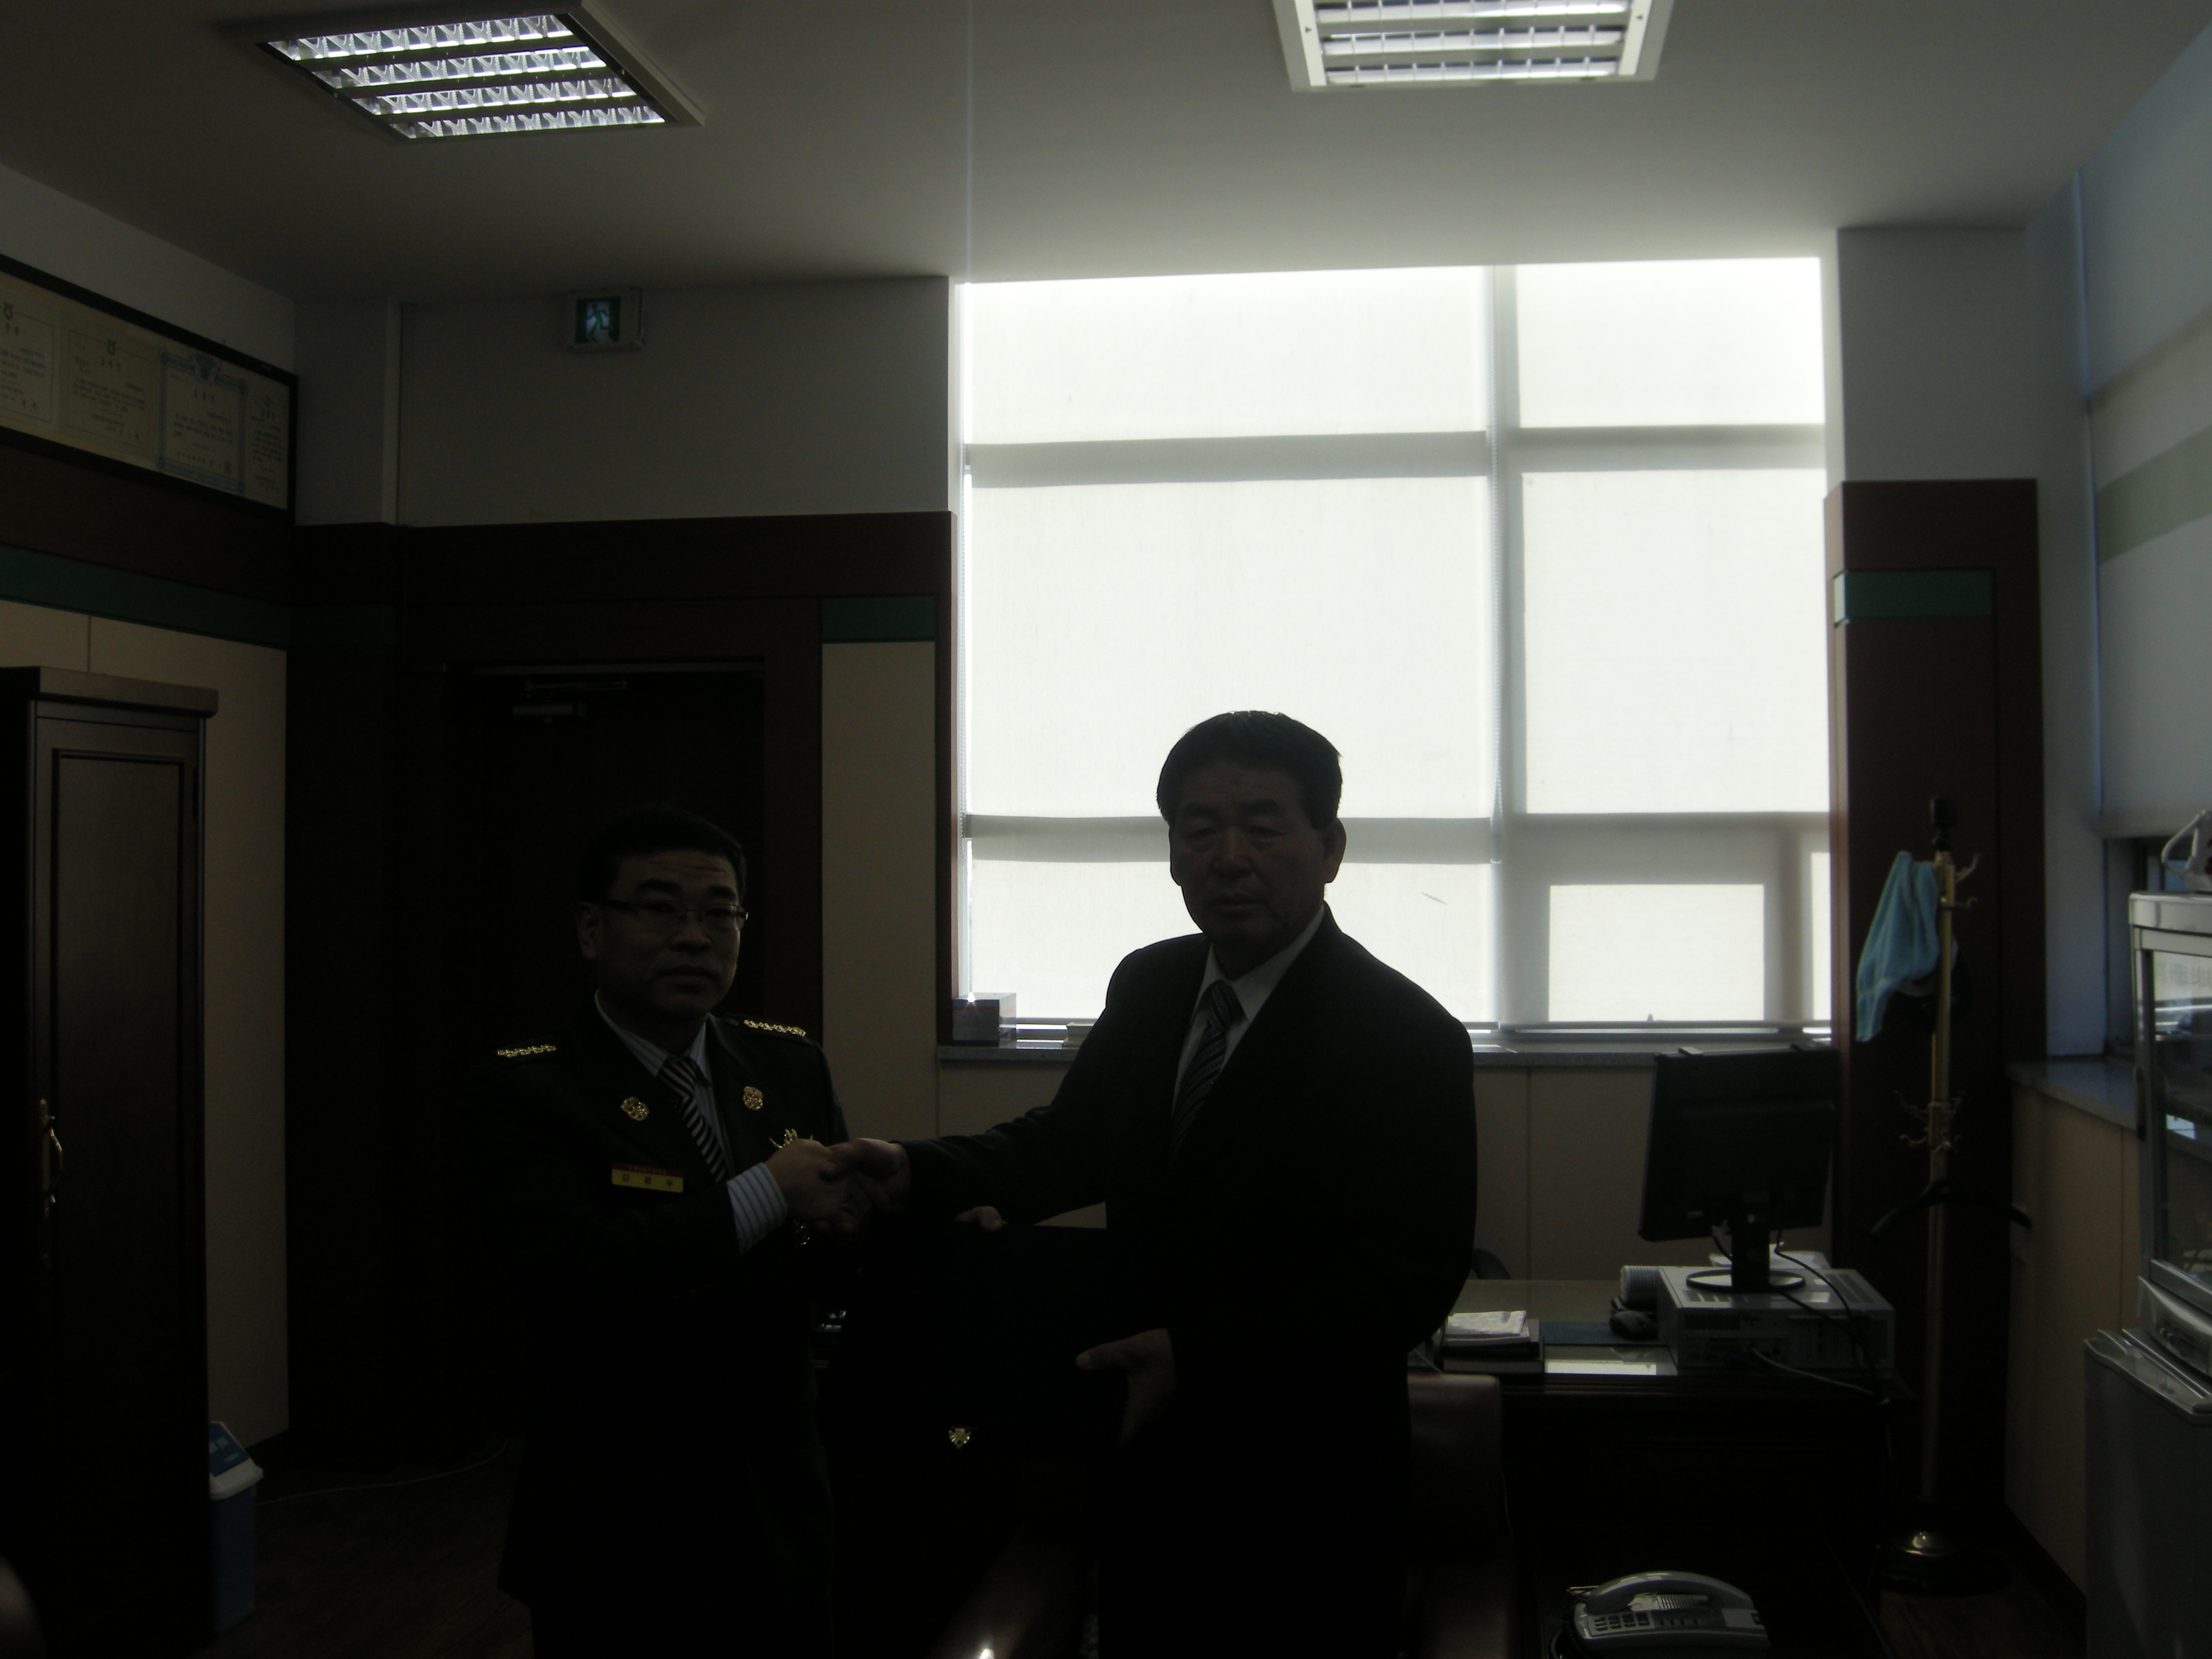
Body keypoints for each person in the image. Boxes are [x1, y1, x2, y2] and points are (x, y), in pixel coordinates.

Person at [834, 711, 1478, 1657]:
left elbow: (1405, 1281)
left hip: (1307, 1488)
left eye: (1263, 829)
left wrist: (1197, 1356)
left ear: (1330, 848)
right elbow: (1069, 1145)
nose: (1229, 858)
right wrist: (916, 1170)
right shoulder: (1151, 983)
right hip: (1143, 1467)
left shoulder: (1406, 1036)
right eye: (1199, 830)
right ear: (1173, 851)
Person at [455, 806, 867, 1658]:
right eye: (658, 909)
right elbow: (580, 1272)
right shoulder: (526, 1091)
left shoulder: (789, 1065)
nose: (693, 936)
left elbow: (826, 1261)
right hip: (621, 1529)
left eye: (720, 912)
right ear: (591, 930)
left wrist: (877, 1223)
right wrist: (768, 1191)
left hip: (781, 1511)